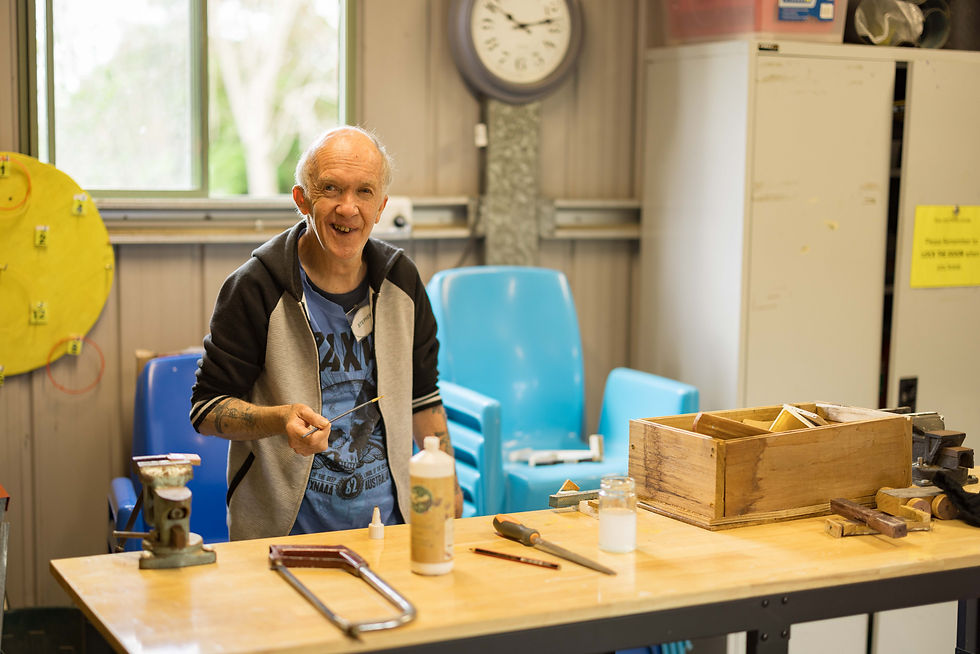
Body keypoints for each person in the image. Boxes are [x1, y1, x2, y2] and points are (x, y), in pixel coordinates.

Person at [190, 125, 462, 541]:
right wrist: (279, 419)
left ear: (381, 205)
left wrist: (449, 493)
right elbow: (206, 410)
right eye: (331, 189)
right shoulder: (255, 287)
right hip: (283, 539)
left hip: (389, 533)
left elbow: (424, 399)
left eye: (364, 192)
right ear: (301, 200)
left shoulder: (402, 282)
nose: (347, 208)